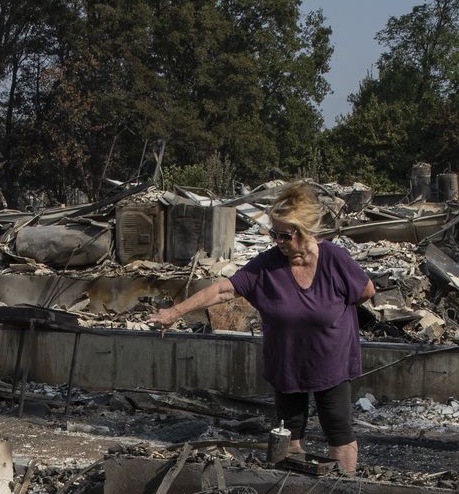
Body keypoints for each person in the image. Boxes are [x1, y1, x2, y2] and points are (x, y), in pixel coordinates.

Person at [151, 183, 376, 474]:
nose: (278, 241)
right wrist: (175, 312)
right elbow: (223, 290)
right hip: (287, 366)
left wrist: (334, 315)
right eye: (274, 234)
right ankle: (287, 491)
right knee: (288, 437)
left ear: (305, 231)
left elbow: (365, 290)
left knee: (340, 434)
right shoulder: (267, 265)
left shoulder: (334, 259)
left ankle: (345, 492)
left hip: (331, 364)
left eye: (285, 235)